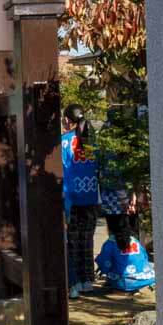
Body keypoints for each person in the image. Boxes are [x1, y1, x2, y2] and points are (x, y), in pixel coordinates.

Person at [62, 105, 100, 298]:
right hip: (92, 196)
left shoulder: (64, 143)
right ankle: (88, 280)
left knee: (73, 241)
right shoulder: (93, 141)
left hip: (73, 198)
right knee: (87, 239)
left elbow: (63, 171)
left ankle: (75, 281)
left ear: (68, 121)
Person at [95, 216, 155, 293]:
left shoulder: (110, 242)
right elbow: (145, 256)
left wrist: (103, 270)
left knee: (105, 260)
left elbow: (104, 262)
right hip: (145, 279)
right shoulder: (134, 240)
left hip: (123, 282)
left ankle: (118, 285)